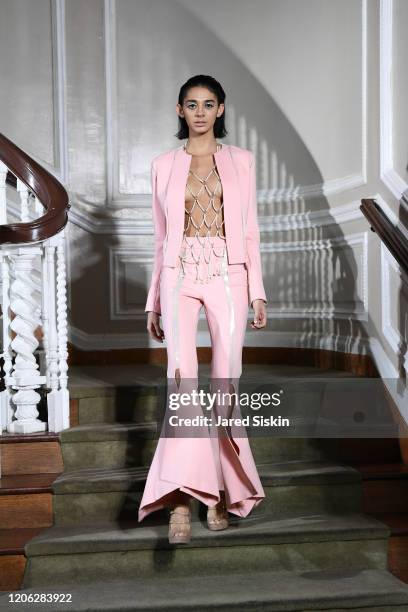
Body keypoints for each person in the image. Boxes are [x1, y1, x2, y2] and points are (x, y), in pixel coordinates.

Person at [139, 74, 268, 544]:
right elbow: (159, 238)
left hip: (229, 276)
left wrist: (258, 290)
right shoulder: (162, 165)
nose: (199, 111)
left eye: (208, 104)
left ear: (220, 110)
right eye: (191, 104)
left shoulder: (242, 161)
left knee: (225, 383)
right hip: (178, 276)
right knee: (181, 384)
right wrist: (154, 299)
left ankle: (215, 491)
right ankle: (179, 500)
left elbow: (250, 229)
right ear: (179, 110)